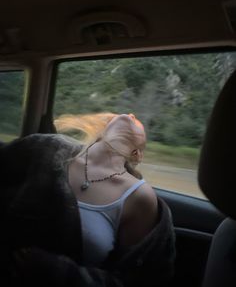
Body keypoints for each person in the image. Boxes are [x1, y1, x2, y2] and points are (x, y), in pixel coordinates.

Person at [0, 113, 176, 287]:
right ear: (104, 130)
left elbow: (133, 279)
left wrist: (59, 272)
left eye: (138, 121)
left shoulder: (138, 196)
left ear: (137, 154)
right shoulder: (47, 148)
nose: (131, 114)